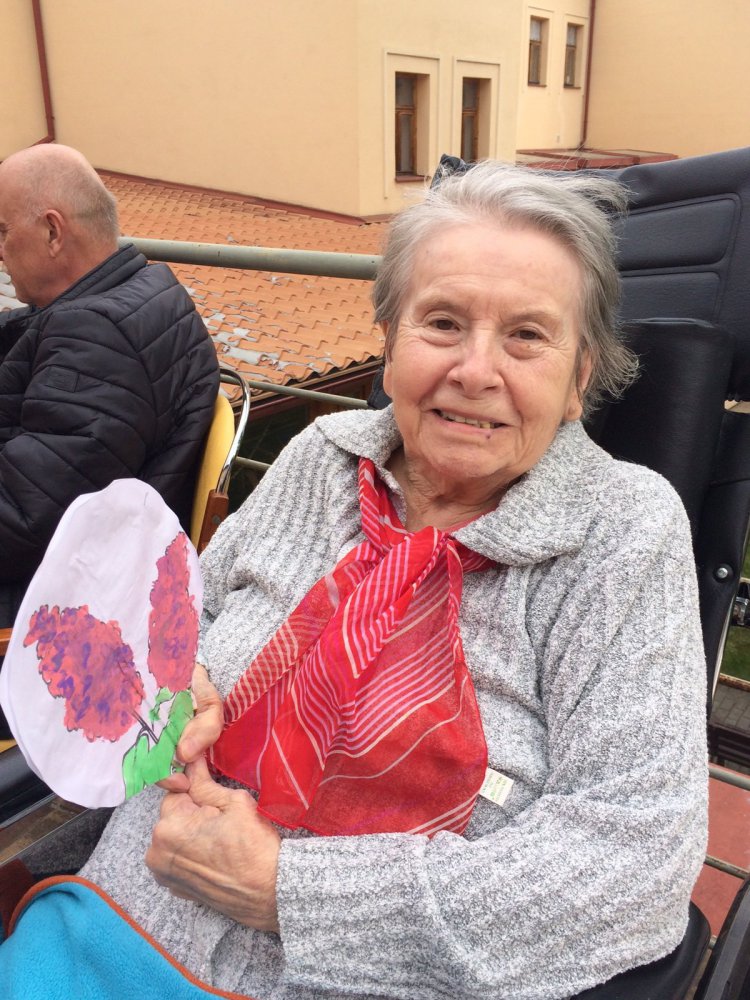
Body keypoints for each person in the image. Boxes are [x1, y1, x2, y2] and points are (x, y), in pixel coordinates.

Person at [1, 162, 707, 999]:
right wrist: (189, 678)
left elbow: (635, 858)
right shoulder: (320, 458)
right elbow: (190, 621)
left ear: (580, 378)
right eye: (442, 322)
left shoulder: (622, 533)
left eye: (526, 335)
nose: (476, 370)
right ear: (390, 342)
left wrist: (289, 893)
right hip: (115, 925)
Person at [0, 143, 219, 628]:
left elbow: (23, 518)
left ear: (53, 232)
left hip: (57, 604)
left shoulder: (97, 339)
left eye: (3, 231)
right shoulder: (137, 292)